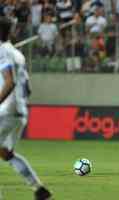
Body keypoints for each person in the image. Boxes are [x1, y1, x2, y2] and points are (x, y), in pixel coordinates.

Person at [0, 17, 52, 200]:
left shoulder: (1, 51)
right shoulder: (17, 53)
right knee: (5, 154)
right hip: (20, 111)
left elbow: (10, 81)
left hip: (6, 110)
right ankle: (38, 188)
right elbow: (27, 87)